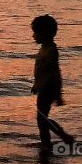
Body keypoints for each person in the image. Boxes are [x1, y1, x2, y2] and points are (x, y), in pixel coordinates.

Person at [31, 14, 75, 152]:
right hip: (42, 88)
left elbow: (55, 73)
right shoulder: (44, 48)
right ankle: (48, 143)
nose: (33, 36)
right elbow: (41, 70)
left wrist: (58, 94)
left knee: (42, 118)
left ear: (44, 34)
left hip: (48, 89)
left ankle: (61, 138)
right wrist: (35, 84)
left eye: (36, 33)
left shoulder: (51, 50)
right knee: (41, 119)